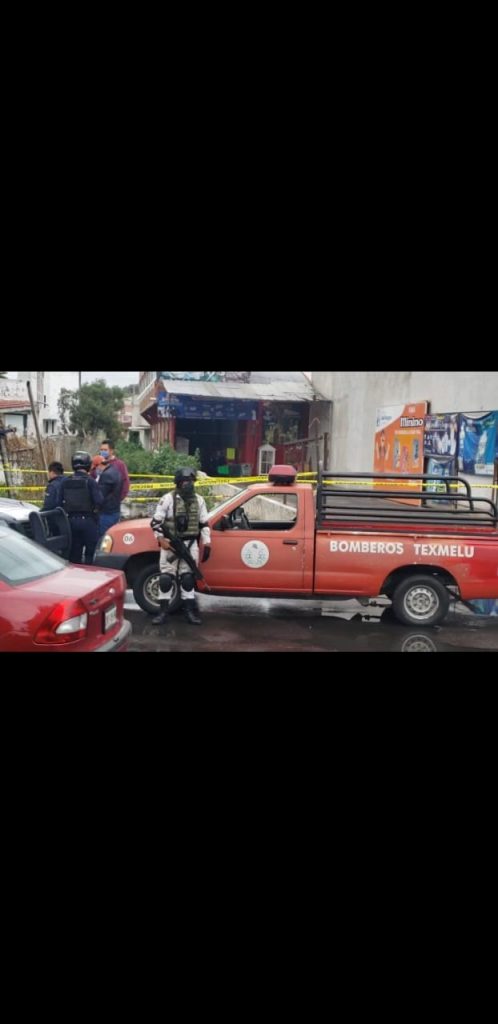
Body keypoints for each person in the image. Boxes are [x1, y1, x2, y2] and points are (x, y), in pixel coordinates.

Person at [150, 467, 211, 626]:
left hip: (190, 544)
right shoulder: (168, 499)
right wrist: (161, 539)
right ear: (178, 483)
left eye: (190, 481)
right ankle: (163, 612)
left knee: (188, 579)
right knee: (165, 579)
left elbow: (204, 524)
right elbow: (156, 523)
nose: (188, 484)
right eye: (184, 481)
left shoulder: (199, 500)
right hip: (170, 545)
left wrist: (207, 542)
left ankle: (189, 612)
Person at [58, 451, 104, 564]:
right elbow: (99, 501)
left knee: (74, 554)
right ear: (88, 465)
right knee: (91, 553)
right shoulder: (90, 482)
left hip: (71, 522)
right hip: (88, 521)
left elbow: (58, 502)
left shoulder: (65, 481)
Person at [98, 450, 123, 537]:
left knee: (104, 538)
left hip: (106, 512)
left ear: (100, 465)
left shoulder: (106, 475)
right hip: (115, 510)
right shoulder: (115, 471)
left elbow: (100, 496)